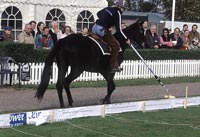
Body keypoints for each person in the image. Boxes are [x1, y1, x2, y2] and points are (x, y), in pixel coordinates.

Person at [92, 0, 130, 73]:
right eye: (124, 9)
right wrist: (126, 39)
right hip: (102, 30)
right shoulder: (118, 13)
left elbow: (98, 14)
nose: (124, 10)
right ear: (121, 7)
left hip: (94, 27)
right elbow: (119, 30)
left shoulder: (107, 8)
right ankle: (113, 66)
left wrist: (107, 21)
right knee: (116, 45)